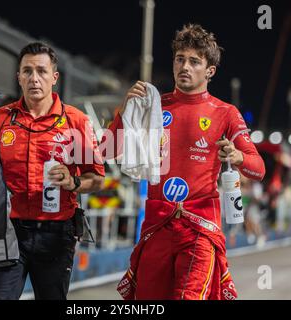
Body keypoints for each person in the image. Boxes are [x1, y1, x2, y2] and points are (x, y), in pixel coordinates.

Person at [106, 24, 265, 300]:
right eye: (180, 59)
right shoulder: (153, 106)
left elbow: (258, 168)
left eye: (194, 61)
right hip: (156, 227)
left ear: (210, 71)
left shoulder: (226, 113)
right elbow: (107, 151)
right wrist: (125, 112)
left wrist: (237, 156)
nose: (185, 66)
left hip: (199, 231)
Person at [0, 42, 105, 300]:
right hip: (6, 232)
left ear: (54, 77)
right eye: (27, 71)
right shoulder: (0, 119)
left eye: (41, 71)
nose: (34, 78)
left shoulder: (77, 122)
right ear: (18, 77)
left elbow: (97, 179)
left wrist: (73, 182)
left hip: (56, 234)